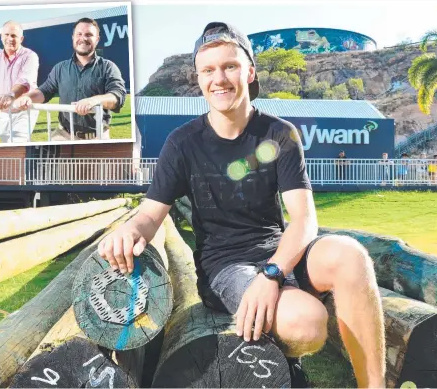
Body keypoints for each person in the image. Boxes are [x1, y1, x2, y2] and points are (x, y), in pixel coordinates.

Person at [97, 22, 386, 388]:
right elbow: (150, 216)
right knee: (307, 322)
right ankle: (285, 356)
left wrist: (273, 274)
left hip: (280, 254)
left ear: (249, 71)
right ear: (199, 79)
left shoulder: (280, 134)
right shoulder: (182, 143)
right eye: (208, 70)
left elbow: (303, 220)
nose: (220, 79)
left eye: (229, 66)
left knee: (351, 255)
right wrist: (128, 231)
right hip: (227, 266)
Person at [14, 17, 126, 141]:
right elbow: (44, 91)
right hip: (63, 135)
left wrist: (94, 100)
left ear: (97, 39)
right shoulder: (60, 68)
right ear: (73, 37)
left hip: (98, 137)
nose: (83, 38)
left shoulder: (108, 67)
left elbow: (118, 96)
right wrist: (27, 97)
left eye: (89, 35)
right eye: (79, 34)